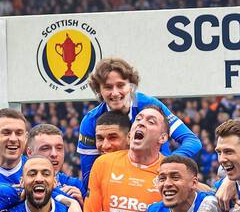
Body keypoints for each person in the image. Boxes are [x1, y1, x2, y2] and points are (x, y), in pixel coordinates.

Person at [77, 57, 201, 188]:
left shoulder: (149, 105)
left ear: (131, 86)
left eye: (120, 85)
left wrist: (167, 163)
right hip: (117, 184)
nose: (115, 93)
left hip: (156, 179)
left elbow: (192, 141)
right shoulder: (90, 121)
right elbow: (88, 176)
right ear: (99, 90)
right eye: (108, 87)